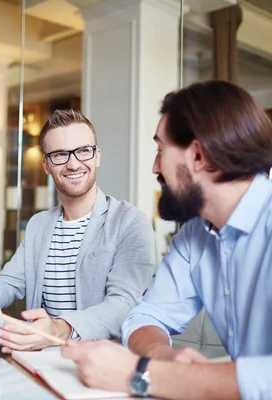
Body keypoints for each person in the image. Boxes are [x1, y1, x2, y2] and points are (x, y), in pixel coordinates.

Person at [61, 80, 272, 399]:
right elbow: (145, 316)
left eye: (160, 149)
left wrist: (146, 375)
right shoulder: (195, 235)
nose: (154, 166)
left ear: (198, 156)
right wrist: (163, 357)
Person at [0, 109, 155, 352]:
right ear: (46, 164)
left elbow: (123, 305)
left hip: (102, 363)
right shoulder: (38, 224)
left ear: (96, 156)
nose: (73, 163)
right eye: (59, 154)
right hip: (41, 359)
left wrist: (59, 329)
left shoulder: (130, 222)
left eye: (82, 151)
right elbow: (9, 282)